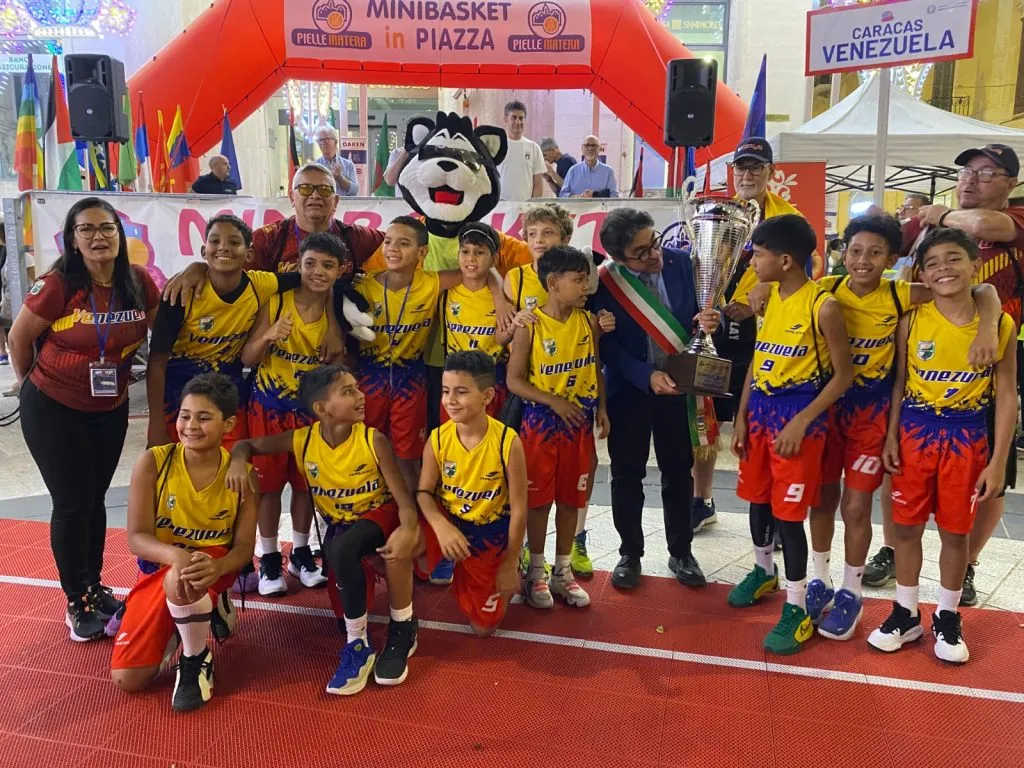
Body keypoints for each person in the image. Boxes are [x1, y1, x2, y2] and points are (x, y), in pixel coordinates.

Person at [808, 214, 1000, 642]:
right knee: (821, 500)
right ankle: (818, 579)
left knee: (856, 507)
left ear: (893, 259)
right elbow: (778, 290)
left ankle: (851, 591)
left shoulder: (901, 295)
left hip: (873, 418)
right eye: (856, 251)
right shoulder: (826, 290)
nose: (863, 260)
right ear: (842, 253)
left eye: (876, 252)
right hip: (827, 410)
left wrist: (989, 323)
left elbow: (980, 289)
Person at [870, 143, 1024, 606]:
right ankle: (893, 547)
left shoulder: (1014, 219)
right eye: (965, 172)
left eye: (987, 172)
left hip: (988, 363)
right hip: (925, 357)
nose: (971, 180)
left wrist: (939, 213)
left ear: (1011, 183)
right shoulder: (929, 235)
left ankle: (967, 564)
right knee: (898, 463)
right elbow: (888, 252)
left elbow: (983, 227)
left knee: (991, 474)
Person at [8, 197, 160, 641]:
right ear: (73, 239)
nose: (98, 237)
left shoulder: (137, 282)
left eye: (107, 228)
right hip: (53, 408)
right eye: (87, 229)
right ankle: (76, 600)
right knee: (73, 503)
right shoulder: (58, 284)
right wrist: (32, 382)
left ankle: (94, 588)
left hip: (110, 409)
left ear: (120, 235)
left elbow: (163, 334)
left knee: (95, 501)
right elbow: (18, 339)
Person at [228, 364, 422, 694]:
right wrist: (237, 460)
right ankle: (355, 631)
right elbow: (246, 445)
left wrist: (408, 529)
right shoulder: (303, 440)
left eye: (357, 388)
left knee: (348, 550)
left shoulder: (372, 440)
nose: (361, 396)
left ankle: (389, 633)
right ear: (321, 409)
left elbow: (404, 502)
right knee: (343, 603)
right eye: (348, 391)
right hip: (342, 528)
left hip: (381, 517)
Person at [871, 227, 1016, 663]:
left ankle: (948, 616)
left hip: (967, 438)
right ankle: (906, 612)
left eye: (953, 259)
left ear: (975, 265)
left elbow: (1007, 397)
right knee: (906, 528)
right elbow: (899, 383)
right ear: (922, 274)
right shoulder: (912, 320)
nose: (942, 269)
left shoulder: (1000, 324)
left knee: (956, 533)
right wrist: (891, 436)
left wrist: (998, 461)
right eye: (932, 263)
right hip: (914, 435)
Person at [729, 214, 853, 656]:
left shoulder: (823, 306)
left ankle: (797, 607)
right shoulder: (769, 297)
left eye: (758, 255)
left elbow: (843, 376)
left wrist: (801, 421)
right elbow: (758, 360)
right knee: (757, 498)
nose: (752, 263)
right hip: (761, 412)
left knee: (789, 515)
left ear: (785, 260)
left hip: (799, 417)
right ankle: (764, 571)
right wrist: (741, 416)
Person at [111, 373, 257, 712]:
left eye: (204, 418)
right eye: (185, 415)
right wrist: (176, 555)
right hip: (162, 566)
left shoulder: (242, 476)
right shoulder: (154, 463)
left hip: (212, 566)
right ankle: (191, 616)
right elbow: (136, 538)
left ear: (228, 424)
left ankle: (196, 657)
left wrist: (220, 566)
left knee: (186, 575)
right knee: (127, 680)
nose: (191, 426)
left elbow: (244, 548)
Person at [590, 208, 718, 590]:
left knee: (678, 472)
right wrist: (645, 375)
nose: (654, 255)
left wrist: (712, 321)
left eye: (655, 242)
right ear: (618, 257)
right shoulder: (605, 282)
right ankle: (630, 553)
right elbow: (606, 347)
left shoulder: (684, 263)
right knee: (626, 474)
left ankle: (682, 552)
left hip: (679, 389)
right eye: (641, 252)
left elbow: (704, 317)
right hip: (629, 390)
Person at [695, 136, 815, 536]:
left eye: (755, 168)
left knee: (764, 423)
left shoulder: (789, 220)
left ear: (771, 173)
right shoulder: (718, 214)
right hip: (717, 328)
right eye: (741, 168)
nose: (747, 175)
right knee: (707, 418)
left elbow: (807, 275)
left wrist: (765, 289)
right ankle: (702, 500)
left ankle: (776, 511)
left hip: (766, 331)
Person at [504, 202, 612, 577]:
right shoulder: (529, 324)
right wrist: (553, 401)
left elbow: (595, 366)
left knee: (571, 499)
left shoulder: (589, 322)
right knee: (539, 502)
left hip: (579, 422)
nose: (585, 287)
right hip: (540, 424)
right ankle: (536, 570)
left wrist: (602, 408)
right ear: (553, 284)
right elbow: (514, 380)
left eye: (586, 280)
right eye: (578, 281)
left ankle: (563, 569)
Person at [242, 232, 346, 597]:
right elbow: (248, 357)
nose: (318, 271)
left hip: (309, 413)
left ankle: (301, 554)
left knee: (305, 486)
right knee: (269, 489)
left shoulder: (338, 308)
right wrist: (268, 336)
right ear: (296, 265)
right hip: (268, 408)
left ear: (339, 271)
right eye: (310, 263)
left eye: (328, 265)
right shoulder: (276, 301)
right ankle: (270, 557)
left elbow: (341, 363)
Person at [147, 215, 299, 450]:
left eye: (234, 242)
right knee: (177, 463)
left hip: (228, 392)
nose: (224, 247)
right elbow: (156, 363)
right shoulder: (181, 293)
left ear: (249, 254)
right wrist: (155, 426)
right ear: (203, 251)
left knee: (230, 462)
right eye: (215, 241)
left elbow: (308, 278)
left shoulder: (260, 285)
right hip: (178, 394)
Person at [416, 351, 528, 635]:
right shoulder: (437, 438)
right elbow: (424, 492)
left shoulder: (507, 442)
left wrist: (510, 561)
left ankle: (514, 566)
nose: (450, 400)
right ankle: (402, 621)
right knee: (403, 543)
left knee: (483, 630)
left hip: (488, 532)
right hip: (452, 522)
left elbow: (519, 509)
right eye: (446, 391)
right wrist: (441, 527)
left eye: (461, 392)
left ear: (487, 396)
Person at [440, 222, 515, 422]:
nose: (471, 258)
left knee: (490, 434)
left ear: (494, 259)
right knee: (452, 435)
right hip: (454, 377)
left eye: (480, 253)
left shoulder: (505, 297)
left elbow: (501, 340)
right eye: (465, 251)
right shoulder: (446, 290)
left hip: (490, 378)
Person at [250, 163, 384, 275]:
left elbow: (393, 242)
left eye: (324, 189)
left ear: (335, 201)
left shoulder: (354, 237)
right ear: (292, 197)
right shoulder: (266, 239)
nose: (315, 195)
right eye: (305, 188)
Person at [497, 101, 545, 201]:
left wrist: (533, 206)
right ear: (505, 119)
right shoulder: (496, 146)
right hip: (500, 206)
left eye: (521, 118)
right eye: (514, 117)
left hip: (524, 208)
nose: (518, 122)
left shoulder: (534, 148)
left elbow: (538, 183)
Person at [314, 124, 359, 197]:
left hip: (343, 203)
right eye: (320, 140)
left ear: (335, 142)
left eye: (327, 139)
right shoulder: (314, 166)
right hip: (322, 203)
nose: (323, 142)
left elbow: (354, 191)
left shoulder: (348, 165)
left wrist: (340, 178)